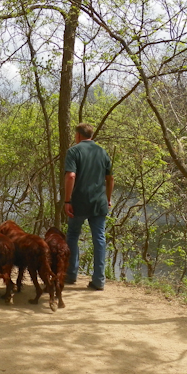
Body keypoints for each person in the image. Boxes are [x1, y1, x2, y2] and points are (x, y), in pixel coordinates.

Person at [63, 122, 114, 291]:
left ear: (78, 135)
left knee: (72, 236)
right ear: (90, 135)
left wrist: (67, 201)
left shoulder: (74, 151)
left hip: (79, 202)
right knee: (99, 238)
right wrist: (107, 199)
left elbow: (71, 176)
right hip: (99, 203)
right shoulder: (102, 152)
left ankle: (70, 275)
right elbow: (110, 179)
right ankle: (99, 280)